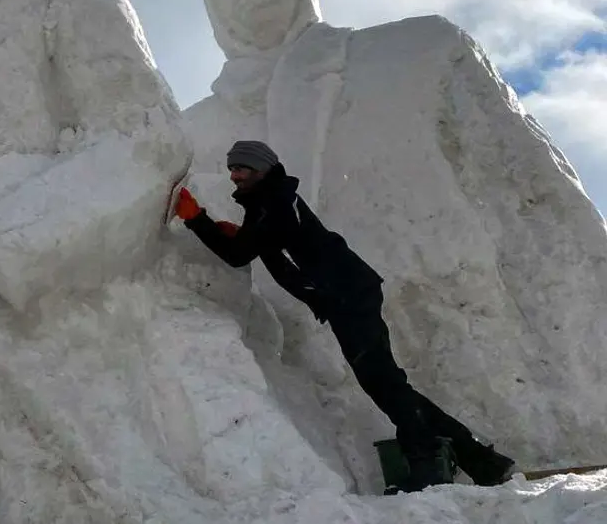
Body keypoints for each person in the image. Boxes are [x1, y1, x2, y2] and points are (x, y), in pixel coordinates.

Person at [175, 139, 516, 492]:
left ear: (261, 168)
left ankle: (427, 461)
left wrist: (197, 220)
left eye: (241, 168)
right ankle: (481, 461)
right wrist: (244, 236)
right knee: (388, 384)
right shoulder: (270, 199)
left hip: (346, 295)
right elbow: (261, 242)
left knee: (385, 384)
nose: (234, 175)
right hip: (347, 293)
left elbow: (239, 254)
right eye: (231, 168)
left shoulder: (271, 202)